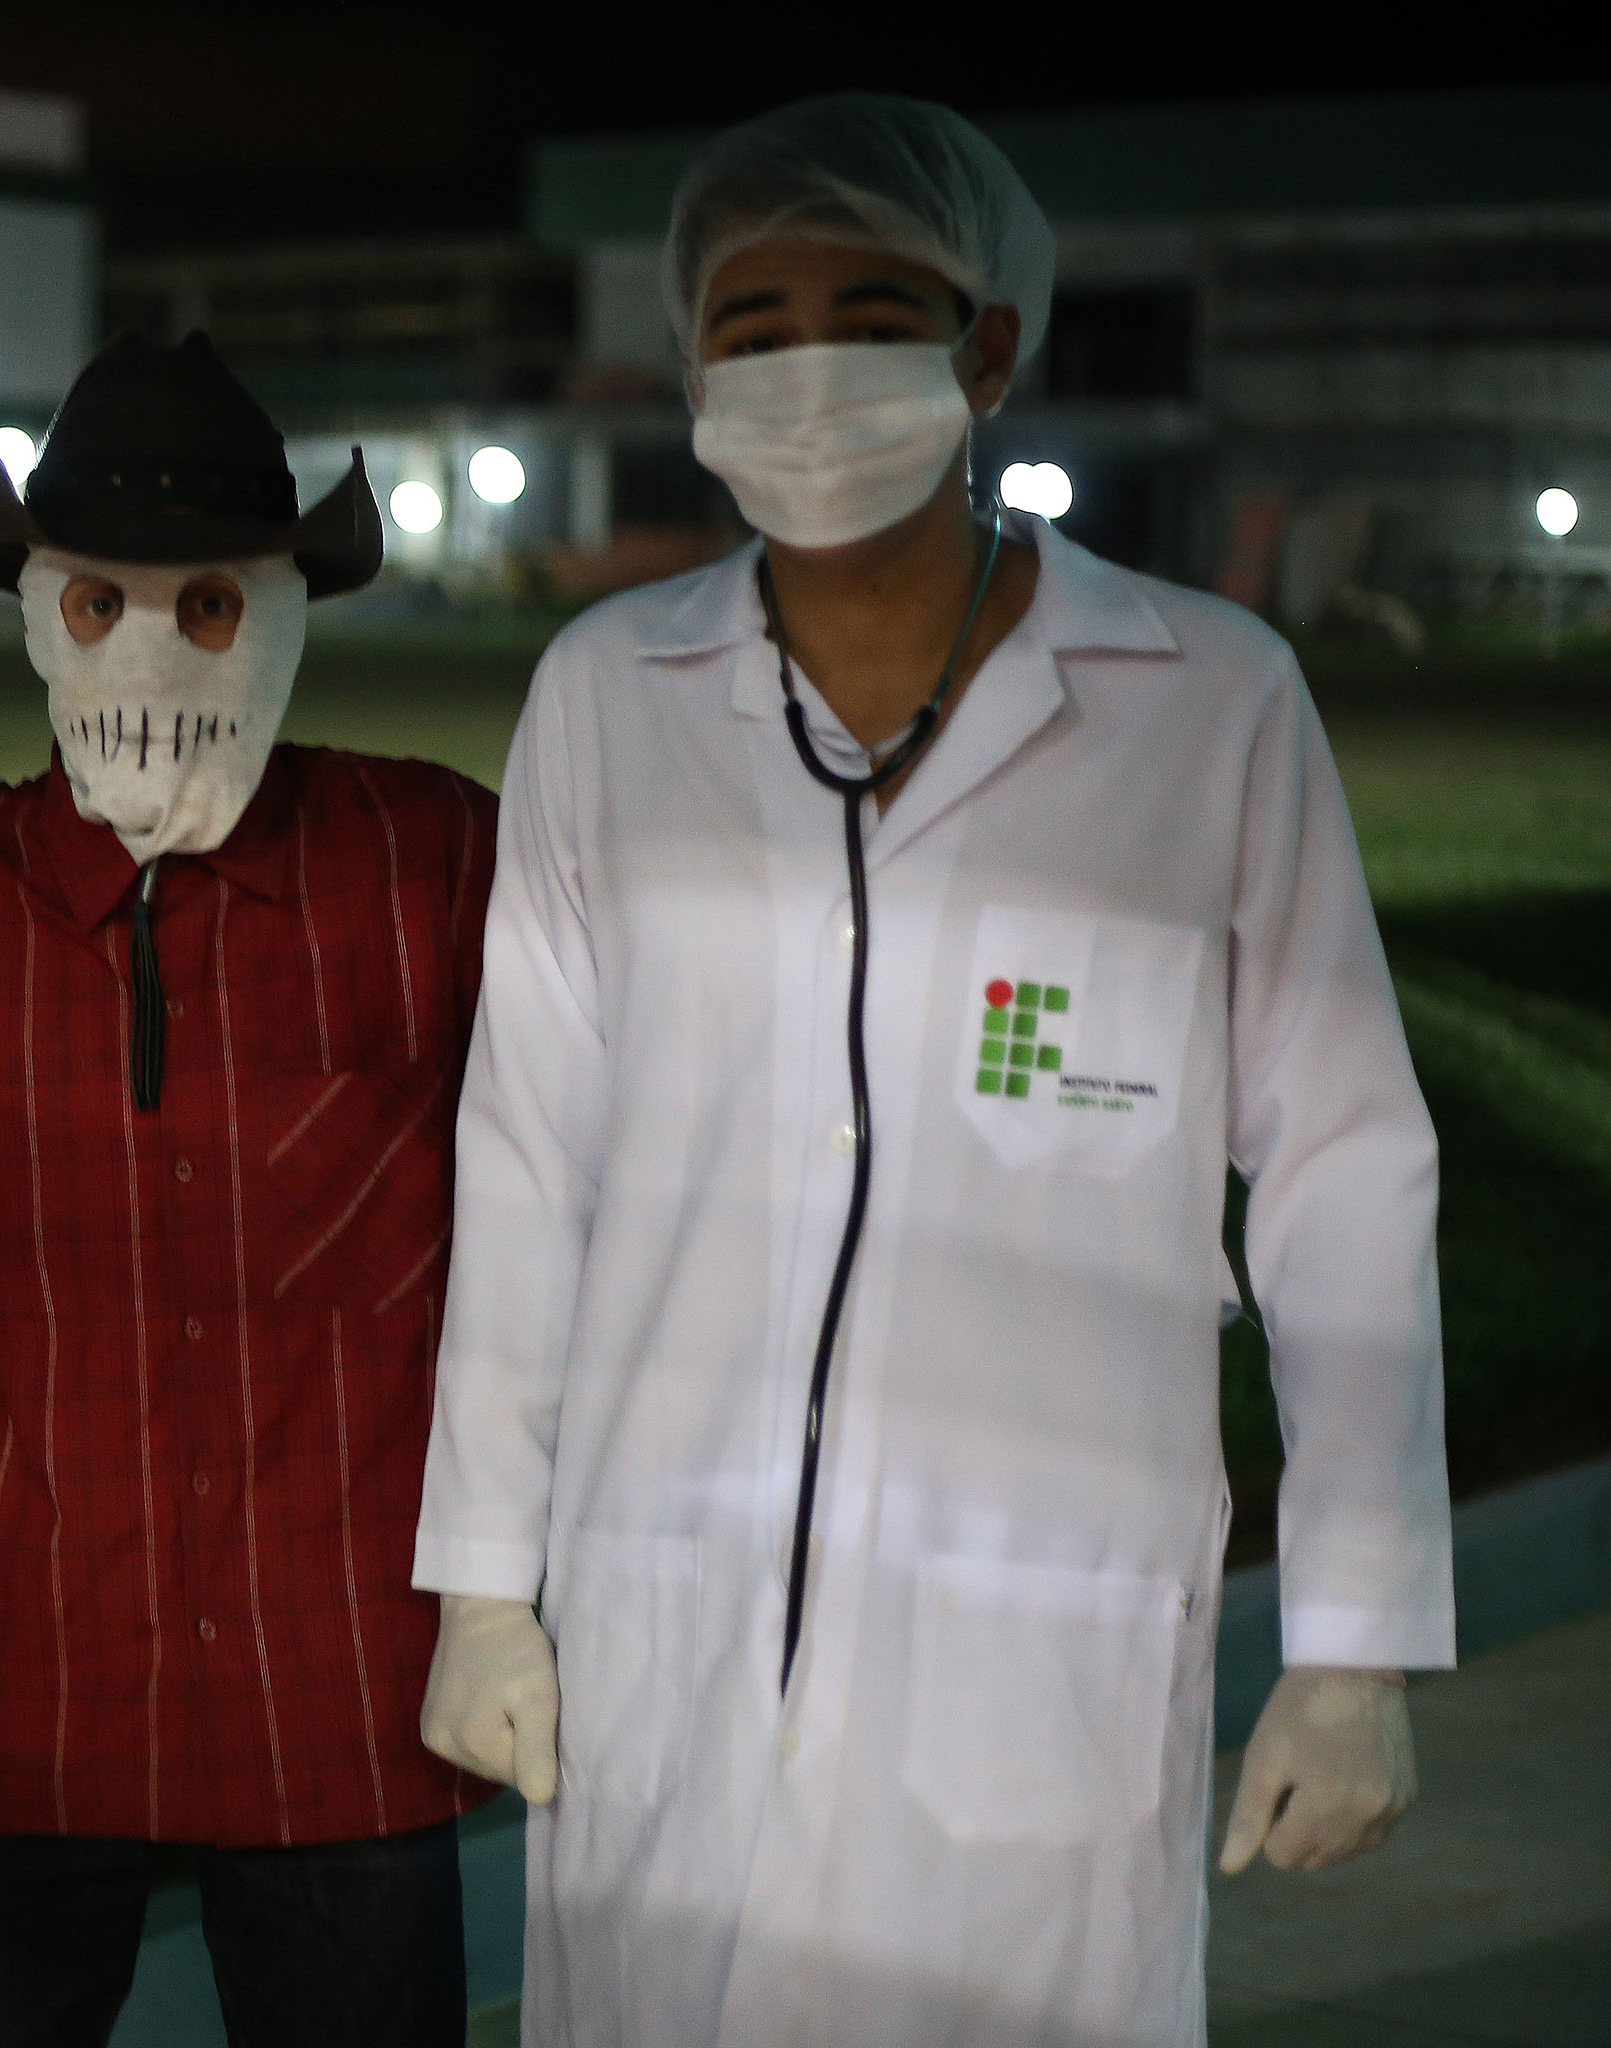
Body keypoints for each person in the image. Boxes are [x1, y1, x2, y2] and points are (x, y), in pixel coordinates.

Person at [412, 96, 1450, 2047]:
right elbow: (527, 1155)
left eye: (871, 317)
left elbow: (1342, 1178)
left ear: (987, 349)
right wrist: (481, 1582)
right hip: (666, 1619)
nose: (807, 371)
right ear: (691, 370)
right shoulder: (607, 700)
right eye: (753, 327)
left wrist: (1356, 1642)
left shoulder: (1207, 705)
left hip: (1030, 1643)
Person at [0, 332, 499, 2047]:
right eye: (101, 604)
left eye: (209, 605)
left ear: (284, 611)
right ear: (40, 612)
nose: (151, 652)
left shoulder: (432, 871)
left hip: (334, 1689)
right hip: (17, 1690)